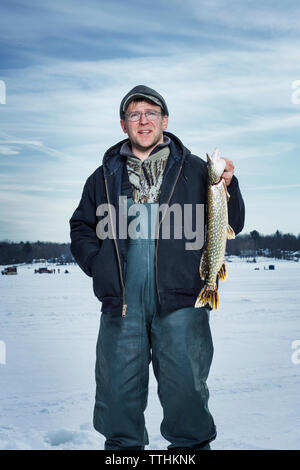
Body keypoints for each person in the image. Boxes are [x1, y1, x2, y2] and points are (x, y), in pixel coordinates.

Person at [69, 85, 245, 450]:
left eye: (151, 113)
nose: (143, 120)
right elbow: (81, 227)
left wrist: (230, 185)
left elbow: (234, 222)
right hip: (122, 306)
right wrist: (97, 265)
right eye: (134, 114)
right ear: (123, 125)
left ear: (165, 121)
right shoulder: (102, 177)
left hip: (182, 302)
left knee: (187, 398)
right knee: (118, 399)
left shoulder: (196, 170)